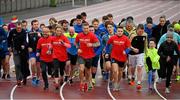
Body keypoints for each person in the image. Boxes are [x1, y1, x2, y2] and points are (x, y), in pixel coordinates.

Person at [75, 23, 100, 92]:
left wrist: (92, 44)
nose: (86, 30)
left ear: (88, 28)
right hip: (81, 55)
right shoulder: (79, 35)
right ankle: (81, 82)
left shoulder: (92, 35)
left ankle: (88, 82)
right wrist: (78, 48)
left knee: (88, 71)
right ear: (82, 28)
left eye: (87, 28)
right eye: (84, 28)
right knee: (81, 69)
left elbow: (98, 43)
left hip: (89, 56)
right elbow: (76, 43)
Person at [106, 26, 131, 91]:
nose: (120, 32)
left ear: (123, 32)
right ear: (116, 31)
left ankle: (118, 82)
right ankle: (115, 84)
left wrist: (125, 51)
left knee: (120, 72)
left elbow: (129, 47)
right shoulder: (113, 38)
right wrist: (107, 52)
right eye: (118, 31)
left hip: (122, 58)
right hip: (114, 56)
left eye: (121, 31)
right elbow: (108, 45)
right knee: (115, 71)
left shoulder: (126, 39)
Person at [8, 22, 30, 87]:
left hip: (23, 51)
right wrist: (9, 46)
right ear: (15, 27)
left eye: (20, 28)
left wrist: (24, 45)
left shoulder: (25, 32)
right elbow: (9, 39)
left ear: (21, 27)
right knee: (17, 64)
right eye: (17, 28)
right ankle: (18, 79)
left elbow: (27, 41)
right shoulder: (12, 31)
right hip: (16, 50)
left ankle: (24, 76)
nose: (19, 29)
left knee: (24, 64)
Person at [128, 24, 147, 90]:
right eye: (139, 32)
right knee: (133, 67)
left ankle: (139, 83)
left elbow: (145, 44)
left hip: (141, 53)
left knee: (139, 67)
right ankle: (133, 76)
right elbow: (128, 44)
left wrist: (146, 53)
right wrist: (133, 49)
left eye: (142, 31)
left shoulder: (145, 35)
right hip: (132, 54)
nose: (141, 33)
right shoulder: (132, 35)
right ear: (137, 29)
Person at [28, 19, 42, 86]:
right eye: (35, 24)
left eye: (37, 24)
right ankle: (33, 76)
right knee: (33, 63)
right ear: (32, 25)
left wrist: (41, 37)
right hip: (32, 51)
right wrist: (28, 47)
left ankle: (38, 78)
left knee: (38, 66)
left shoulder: (41, 32)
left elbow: (45, 41)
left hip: (39, 51)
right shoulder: (28, 32)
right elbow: (26, 42)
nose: (36, 26)